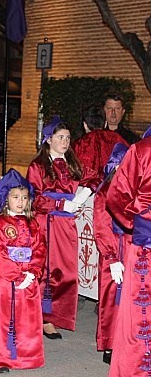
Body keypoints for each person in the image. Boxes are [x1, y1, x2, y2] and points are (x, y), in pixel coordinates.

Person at [27, 116, 99, 337]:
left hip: (67, 224)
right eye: (60, 137)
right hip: (47, 222)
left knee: (66, 272)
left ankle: (56, 314)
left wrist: (86, 191)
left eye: (68, 137)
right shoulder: (38, 166)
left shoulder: (73, 163)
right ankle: (41, 317)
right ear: (48, 139)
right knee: (46, 270)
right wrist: (60, 203)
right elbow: (35, 198)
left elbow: (94, 177)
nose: (66, 141)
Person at [0, 169, 46, 373]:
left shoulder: (34, 223)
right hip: (4, 280)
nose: (20, 202)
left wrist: (32, 271)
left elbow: (40, 248)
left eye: (24, 197)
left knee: (26, 318)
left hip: (28, 278)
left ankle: (24, 355)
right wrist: (16, 274)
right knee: (0, 317)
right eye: (15, 197)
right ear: (6, 199)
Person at [106, 136, 151, 376]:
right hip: (147, 244)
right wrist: (138, 223)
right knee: (140, 311)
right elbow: (116, 194)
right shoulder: (142, 150)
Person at [93, 143, 128, 365]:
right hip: (113, 252)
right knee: (111, 299)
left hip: (132, 249)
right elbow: (101, 226)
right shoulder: (105, 192)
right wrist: (112, 257)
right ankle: (110, 344)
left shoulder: (131, 188)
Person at [74, 105, 128, 178]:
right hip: (113, 186)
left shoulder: (79, 144)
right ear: (105, 123)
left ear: (85, 125)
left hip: (85, 187)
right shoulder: (117, 139)